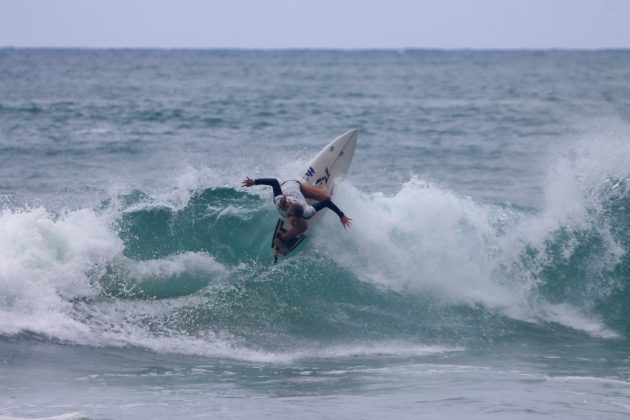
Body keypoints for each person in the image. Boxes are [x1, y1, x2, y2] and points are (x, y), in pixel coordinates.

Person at [241, 177, 352, 244]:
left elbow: (327, 202)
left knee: (327, 197)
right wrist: (254, 182)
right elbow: (275, 182)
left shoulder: (307, 212)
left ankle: (282, 239)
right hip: (289, 185)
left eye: (297, 220)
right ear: (288, 214)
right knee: (303, 227)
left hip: (297, 190)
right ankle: (281, 239)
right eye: (294, 220)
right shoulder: (280, 203)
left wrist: (341, 215)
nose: (295, 222)